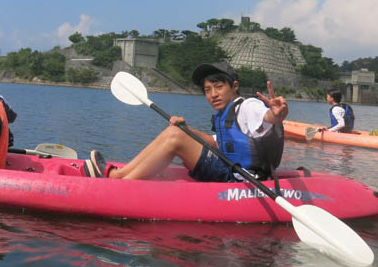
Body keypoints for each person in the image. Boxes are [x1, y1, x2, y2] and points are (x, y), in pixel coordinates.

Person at [83, 61, 288, 181]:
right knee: (175, 130)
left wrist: (278, 114)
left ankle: (121, 184)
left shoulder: (248, 106)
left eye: (219, 87)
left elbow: (268, 118)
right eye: (207, 90)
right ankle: (118, 175)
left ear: (234, 86)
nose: (213, 94)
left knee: (175, 137)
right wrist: (186, 130)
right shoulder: (226, 113)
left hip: (241, 180)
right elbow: (216, 143)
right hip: (230, 170)